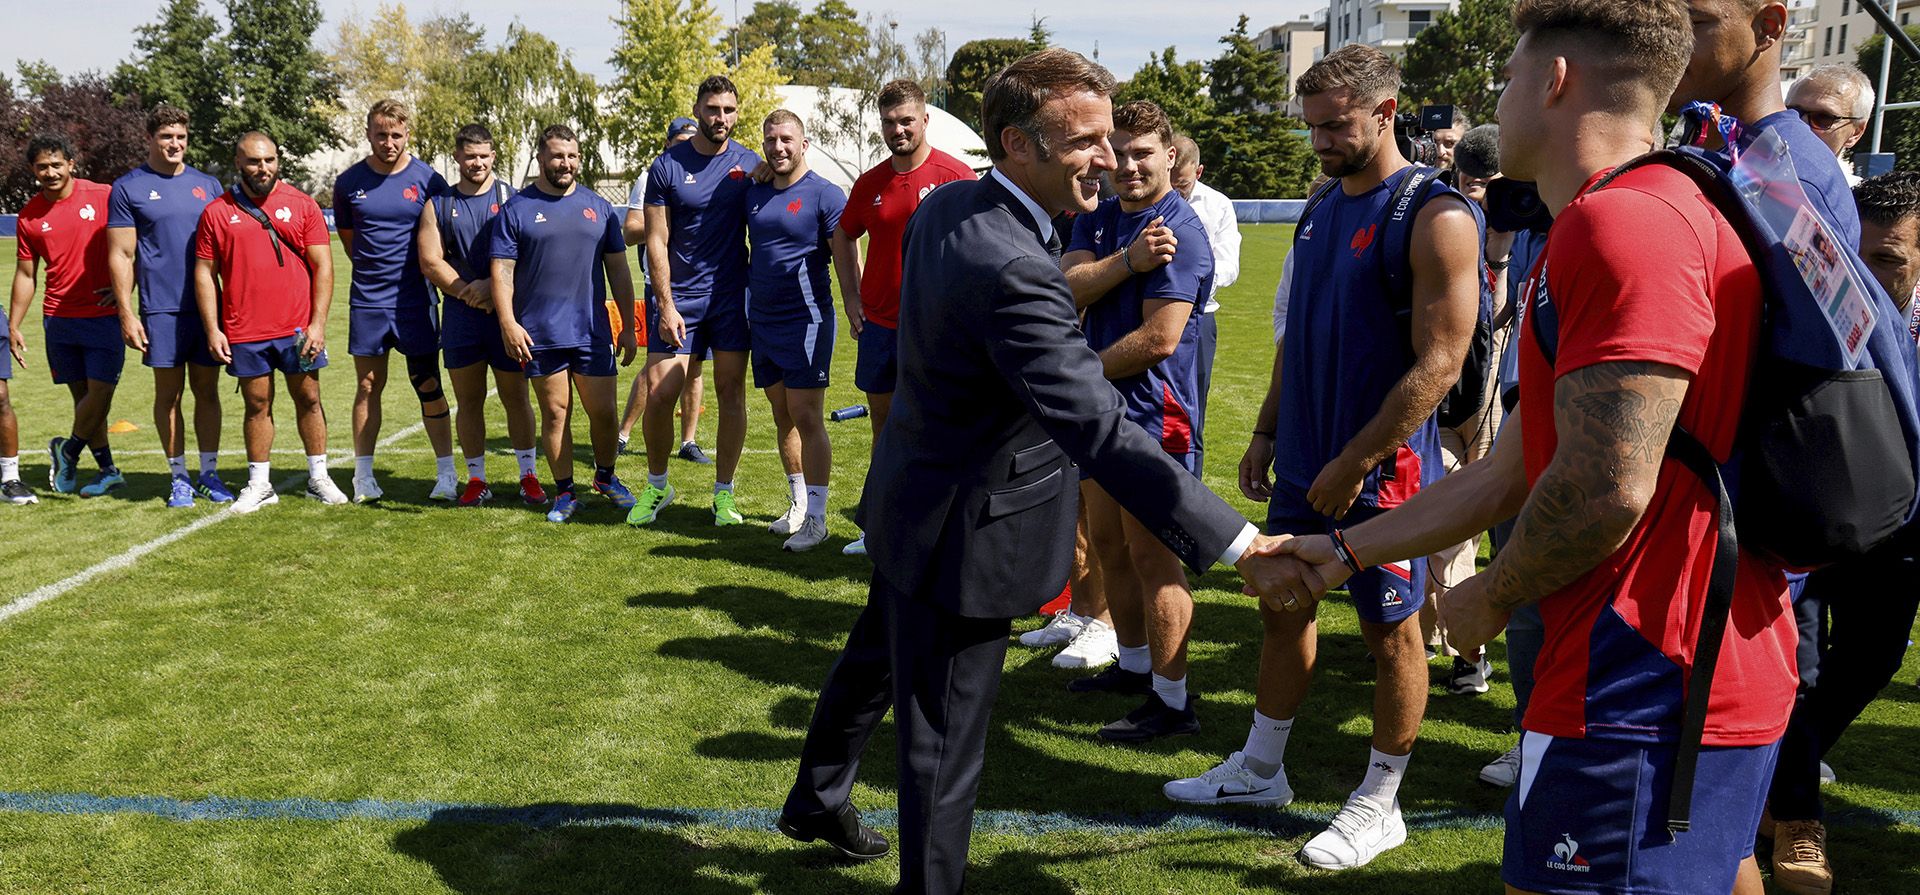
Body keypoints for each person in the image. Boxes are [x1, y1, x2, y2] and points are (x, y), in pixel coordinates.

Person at [1276, 3, 1797, 891]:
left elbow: (1604, 487)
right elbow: (1513, 467)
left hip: (1636, 676)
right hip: (1678, 667)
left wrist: (1490, 591)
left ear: (1555, 80)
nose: (1496, 99)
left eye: (1509, 76)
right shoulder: (1644, 203)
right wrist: (1344, 550)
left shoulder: (1621, 223)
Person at [775, 49, 1302, 895]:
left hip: (911, 496)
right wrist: (1241, 543)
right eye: (1086, 140)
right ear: (1017, 144)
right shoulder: (1012, 262)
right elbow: (1098, 426)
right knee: (942, 745)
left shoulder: (953, 206)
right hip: (963, 532)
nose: (1107, 155)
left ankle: (814, 797)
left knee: (872, 660)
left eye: (1111, 135)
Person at [1169, 44, 1482, 871]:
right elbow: (1294, 334)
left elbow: (1441, 361)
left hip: (1384, 476)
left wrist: (1357, 458)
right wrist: (1271, 428)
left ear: (1385, 111)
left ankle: (1381, 801)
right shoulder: (1318, 205)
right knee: (1282, 605)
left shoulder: (1435, 212)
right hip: (1307, 460)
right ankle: (1262, 768)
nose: (1318, 141)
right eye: (1309, 126)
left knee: (1392, 635)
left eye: (1334, 125)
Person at [1755, 173, 1920, 895]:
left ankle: (1775, 772)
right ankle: (1797, 818)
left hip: (1904, 523)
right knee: (1800, 667)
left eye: (1891, 260)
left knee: (1876, 657)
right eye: (1865, 256)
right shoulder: (1821, 298)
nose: (1874, 276)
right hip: (1814, 508)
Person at [1058, 100, 1215, 742]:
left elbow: (1159, 339)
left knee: (1156, 561)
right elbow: (1067, 288)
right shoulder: (1097, 221)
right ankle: (1134, 665)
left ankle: (1173, 702)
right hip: (1104, 414)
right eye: (1116, 152)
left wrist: (1082, 373)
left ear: (1170, 156)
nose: (1126, 164)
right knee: (1111, 547)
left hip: (1154, 417)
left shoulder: (1180, 228)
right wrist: (1126, 263)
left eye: (1141, 152)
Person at [832, 79, 978, 557]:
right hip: (880, 326)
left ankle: (938, 531)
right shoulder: (870, 183)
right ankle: (879, 529)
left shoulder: (956, 176)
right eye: (890, 122)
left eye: (906, 121)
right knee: (885, 429)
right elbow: (843, 236)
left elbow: (980, 244)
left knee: (939, 427)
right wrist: (851, 298)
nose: (898, 129)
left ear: (924, 120)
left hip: (936, 329)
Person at [630, 76, 763, 527]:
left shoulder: (750, 165)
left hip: (730, 298)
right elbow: (656, 239)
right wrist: (665, 304)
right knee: (661, 393)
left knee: (730, 392)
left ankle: (723, 495)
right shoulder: (666, 165)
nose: (719, 117)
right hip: (679, 297)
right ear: (698, 109)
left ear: (736, 112)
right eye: (711, 109)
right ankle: (656, 485)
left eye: (727, 109)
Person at [490, 125, 640, 524]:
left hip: (591, 331)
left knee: (605, 414)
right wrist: (507, 322)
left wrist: (627, 325)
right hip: (540, 333)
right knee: (556, 414)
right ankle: (565, 492)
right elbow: (502, 272)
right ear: (541, 158)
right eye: (558, 156)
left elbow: (619, 271)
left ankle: (606, 478)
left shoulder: (598, 207)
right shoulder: (517, 209)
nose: (566, 163)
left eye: (572, 156)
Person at [193, 131, 349, 512]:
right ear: (238, 163)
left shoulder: (302, 204)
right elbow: (204, 273)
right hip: (245, 329)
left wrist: (318, 324)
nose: (263, 168)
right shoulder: (217, 211)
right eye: (253, 161)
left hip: (297, 328)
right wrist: (213, 328)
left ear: (278, 160)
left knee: (309, 397)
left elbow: (323, 267)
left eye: (269, 160)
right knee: (256, 403)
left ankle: (318, 477)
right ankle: (260, 483)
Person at [415, 123, 545, 508]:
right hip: (462, 317)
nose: (477, 163)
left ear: (493, 156)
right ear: (457, 157)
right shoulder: (438, 203)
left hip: (506, 314)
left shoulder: (513, 198)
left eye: (484, 156)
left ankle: (528, 476)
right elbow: (429, 259)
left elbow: (531, 250)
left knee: (516, 397)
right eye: (470, 156)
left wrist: (493, 286)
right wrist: (465, 292)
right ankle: (476, 479)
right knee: (468, 400)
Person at [107, 104, 230, 508]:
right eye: (166, 137)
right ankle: (178, 476)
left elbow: (226, 251)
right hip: (161, 309)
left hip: (207, 307)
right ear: (150, 139)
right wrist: (126, 312)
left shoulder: (208, 185)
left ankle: (209, 472)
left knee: (208, 391)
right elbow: (122, 255)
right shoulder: (128, 188)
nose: (174, 144)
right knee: (169, 395)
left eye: (180, 136)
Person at [333, 99, 454, 503]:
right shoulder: (349, 183)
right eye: (381, 134)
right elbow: (352, 243)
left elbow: (440, 245)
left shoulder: (429, 181)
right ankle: (363, 477)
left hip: (415, 302)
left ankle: (446, 474)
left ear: (407, 135)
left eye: (396, 135)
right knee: (368, 385)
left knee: (428, 382)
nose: (389, 142)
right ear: (368, 133)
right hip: (368, 302)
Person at [737, 110, 846, 551]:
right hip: (761, 319)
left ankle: (818, 519)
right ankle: (799, 505)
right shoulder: (755, 190)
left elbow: (845, 259)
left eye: (786, 139)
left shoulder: (825, 194)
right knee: (782, 415)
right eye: (770, 140)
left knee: (806, 415)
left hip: (806, 320)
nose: (778, 147)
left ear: (805, 143)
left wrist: (854, 305)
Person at [9, 134, 126, 498]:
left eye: (57, 164)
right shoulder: (29, 216)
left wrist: (126, 290)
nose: (50, 172)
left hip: (103, 315)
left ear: (71, 164)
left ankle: (68, 450)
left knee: (101, 391)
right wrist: (13, 324)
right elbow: (27, 274)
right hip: (58, 319)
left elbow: (130, 247)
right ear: (33, 169)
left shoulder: (103, 196)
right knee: (84, 400)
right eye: (42, 166)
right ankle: (107, 469)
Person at [618, 117, 709, 465]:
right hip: (662, 285)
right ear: (668, 143)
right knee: (657, 370)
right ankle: (624, 433)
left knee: (695, 367)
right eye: (680, 140)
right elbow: (629, 230)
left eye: (691, 138)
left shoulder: (705, 173)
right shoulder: (652, 175)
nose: (687, 145)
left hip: (701, 286)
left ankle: (688, 441)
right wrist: (666, 223)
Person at [1787, 64, 1875, 185]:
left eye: (1823, 117)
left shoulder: (1856, 198)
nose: (1801, 124)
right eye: (1792, 113)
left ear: (1855, 133)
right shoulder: (1754, 174)